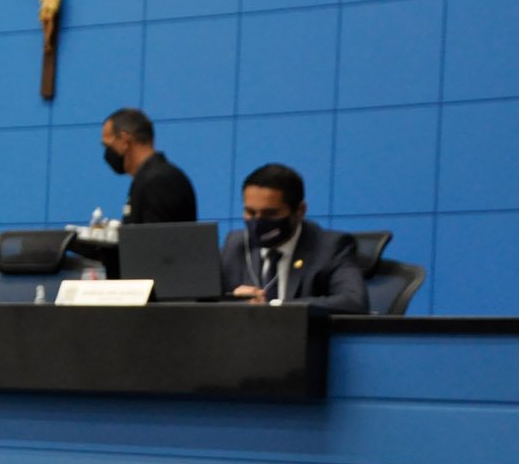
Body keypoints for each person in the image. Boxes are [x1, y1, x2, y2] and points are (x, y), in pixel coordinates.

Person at [219, 163, 368, 313]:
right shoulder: (235, 245)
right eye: (250, 212)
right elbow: (208, 302)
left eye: (270, 213)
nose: (258, 222)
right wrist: (233, 302)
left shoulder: (330, 247)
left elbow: (354, 301)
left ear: (300, 211)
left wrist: (275, 306)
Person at [102, 107, 197, 224]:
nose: (107, 152)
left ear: (124, 141)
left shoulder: (159, 181)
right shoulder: (149, 178)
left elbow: (155, 235)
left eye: (107, 146)